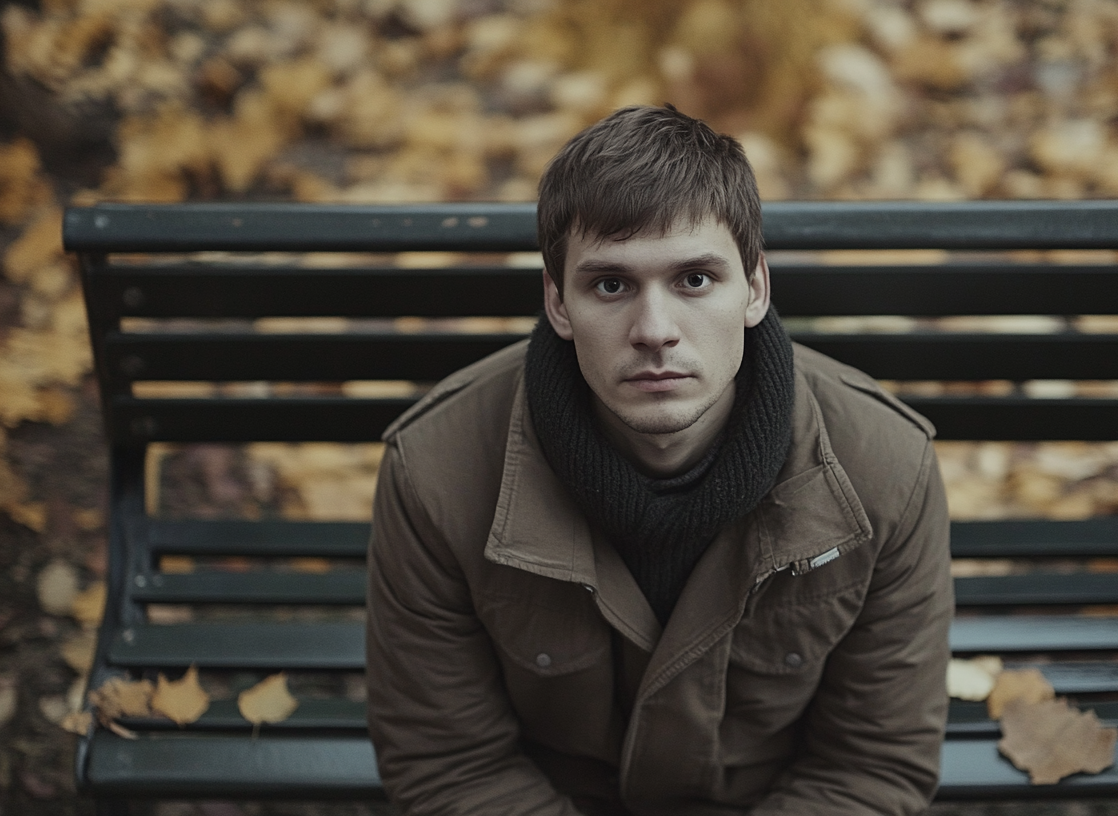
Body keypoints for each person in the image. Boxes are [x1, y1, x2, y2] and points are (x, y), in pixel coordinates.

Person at [366, 104, 952, 815]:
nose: (654, 332)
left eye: (695, 280)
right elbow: (450, 766)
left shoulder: (885, 467)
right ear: (557, 302)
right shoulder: (435, 472)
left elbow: (871, 763)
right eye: (610, 285)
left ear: (756, 289)